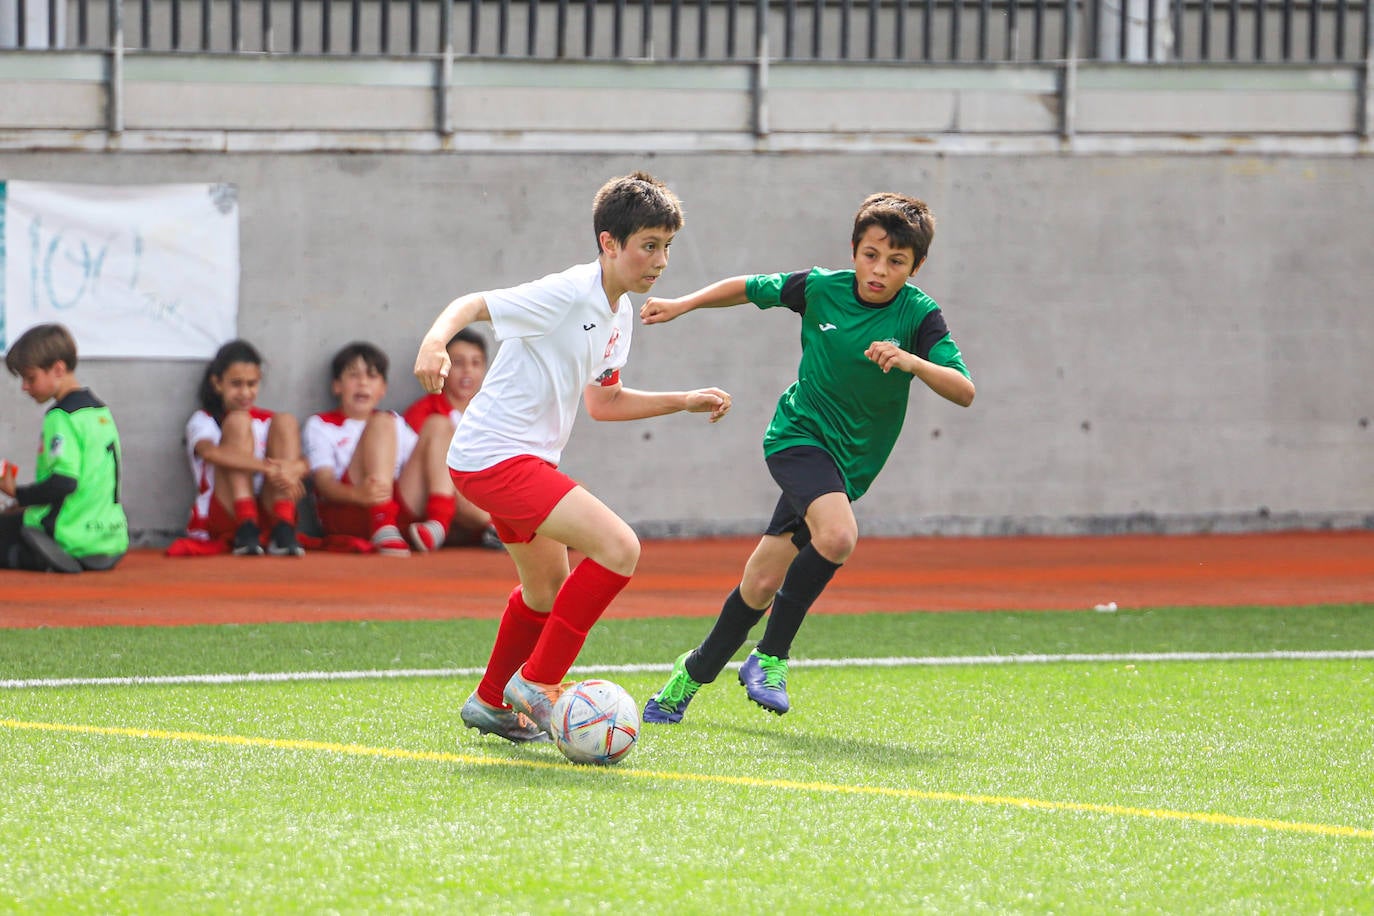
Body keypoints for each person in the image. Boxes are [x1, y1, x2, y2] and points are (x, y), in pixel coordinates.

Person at [413, 170, 732, 743]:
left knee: (545, 591)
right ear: (609, 244)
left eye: (667, 247)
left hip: (514, 461)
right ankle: (538, 683)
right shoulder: (567, 292)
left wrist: (681, 400)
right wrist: (436, 342)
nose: (660, 261)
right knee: (619, 547)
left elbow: (603, 402)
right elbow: (472, 303)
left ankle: (491, 702)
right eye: (648, 246)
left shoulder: (619, 314)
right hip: (496, 457)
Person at [639, 192, 975, 723]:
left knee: (760, 584)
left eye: (896, 262)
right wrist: (683, 304)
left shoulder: (919, 315)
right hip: (797, 439)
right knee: (838, 536)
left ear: (917, 266)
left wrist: (912, 361)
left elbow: (963, 390)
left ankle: (686, 678)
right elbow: (748, 289)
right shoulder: (821, 288)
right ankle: (770, 656)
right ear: (853, 250)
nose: (879, 271)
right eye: (870, 255)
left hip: (847, 468)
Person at [304, 341, 455, 556]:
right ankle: (382, 522)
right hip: (350, 510)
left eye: (372, 377)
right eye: (354, 375)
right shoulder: (321, 424)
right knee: (381, 422)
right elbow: (324, 483)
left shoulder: (395, 421)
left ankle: (439, 522)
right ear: (337, 385)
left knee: (439, 424)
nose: (363, 383)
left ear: (383, 389)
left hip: (395, 512)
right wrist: (358, 494)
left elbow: (428, 467)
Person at [0, 323, 128, 573]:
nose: (24, 387)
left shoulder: (61, 417)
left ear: (58, 369)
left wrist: (18, 494)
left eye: (30, 378)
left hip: (70, 535)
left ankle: (39, 557)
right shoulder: (100, 411)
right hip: (111, 538)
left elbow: (65, 483)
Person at [183, 339, 310, 556]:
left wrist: (294, 469)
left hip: (266, 507)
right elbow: (210, 452)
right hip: (226, 510)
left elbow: (304, 461)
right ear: (217, 383)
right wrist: (267, 468)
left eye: (251, 384)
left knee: (286, 421)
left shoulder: (267, 420)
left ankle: (283, 526)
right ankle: (246, 524)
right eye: (236, 384)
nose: (245, 392)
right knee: (238, 421)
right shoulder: (203, 420)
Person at [400, 328, 501, 550]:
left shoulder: (494, 414)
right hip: (433, 501)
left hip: (484, 496)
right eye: (458, 363)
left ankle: (501, 529)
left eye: (475, 363)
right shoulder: (423, 412)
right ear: (442, 368)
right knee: (455, 472)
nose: (467, 371)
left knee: (572, 486)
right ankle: (504, 529)